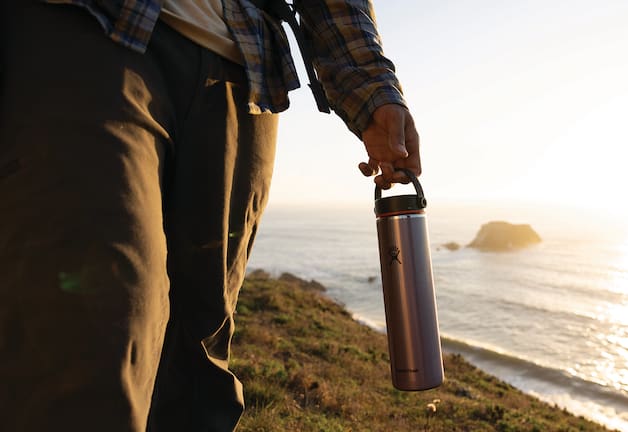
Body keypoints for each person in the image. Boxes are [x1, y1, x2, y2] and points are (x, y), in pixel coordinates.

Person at [0, 0, 420, 430]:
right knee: (93, 333)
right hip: (89, 30)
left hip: (245, 69)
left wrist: (373, 89)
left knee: (198, 360)